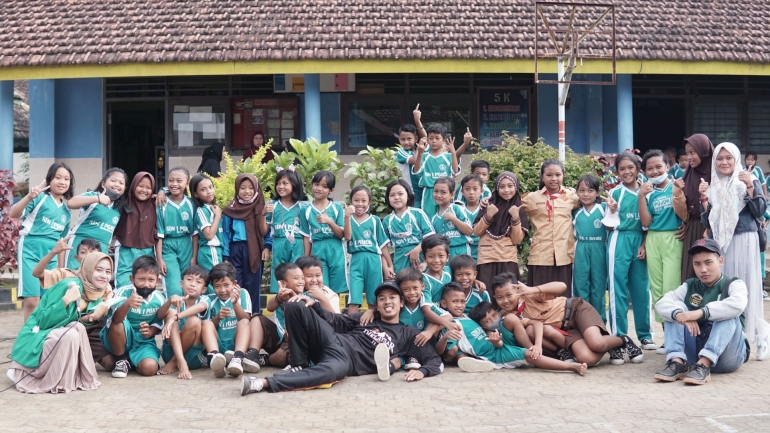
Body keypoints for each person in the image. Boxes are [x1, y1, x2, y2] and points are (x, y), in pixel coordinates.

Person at [240, 280, 444, 395]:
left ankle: (262, 384)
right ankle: (298, 362)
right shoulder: (365, 318)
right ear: (377, 304)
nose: (387, 302)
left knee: (330, 373)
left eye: (392, 298)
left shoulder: (408, 333)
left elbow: (436, 362)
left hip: (346, 361)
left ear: (401, 303)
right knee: (296, 304)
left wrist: (423, 372)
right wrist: (314, 304)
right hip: (333, 341)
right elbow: (335, 320)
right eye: (382, 299)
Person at [700, 142, 770, 359]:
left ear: (736, 159)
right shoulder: (713, 185)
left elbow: (760, 211)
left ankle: (761, 334)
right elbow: (708, 221)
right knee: (728, 290)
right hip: (722, 244)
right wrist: (704, 198)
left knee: (747, 288)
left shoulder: (748, 179)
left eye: (728, 158)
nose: (724, 162)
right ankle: (735, 338)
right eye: (719, 159)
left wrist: (750, 187)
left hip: (745, 239)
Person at [8, 252, 113, 393]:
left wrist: (93, 317)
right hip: (37, 337)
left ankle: (68, 379)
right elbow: (43, 321)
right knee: (71, 334)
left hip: (53, 336)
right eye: (98, 270)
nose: (103, 275)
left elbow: (73, 320)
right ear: (88, 269)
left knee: (78, 328)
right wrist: (65, 301)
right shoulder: (68, 286)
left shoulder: (96, 291)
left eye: (108, 271)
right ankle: (34, 375)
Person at [489, 272, 644, 366]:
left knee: (596, 343)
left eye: (509, 295)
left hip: (576, 310)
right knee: (586, 359)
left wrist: (532, 289)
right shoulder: (508, 316)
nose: (505, 301)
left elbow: (562, 286)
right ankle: (609, 346)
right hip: (566, 330)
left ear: (517, 290)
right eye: (500, 298)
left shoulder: (529, 295)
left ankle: (622, 340)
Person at [654, 239, 751, 384]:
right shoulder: (690, 285)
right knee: (676, 307)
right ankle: (677, 362)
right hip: (695, 356)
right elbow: (661, 303)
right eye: (697, 264)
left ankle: (705, 364)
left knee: (728, 313)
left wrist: (699, 313)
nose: (703, 269)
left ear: (720, 261)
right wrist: (680, 315)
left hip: (728, 357)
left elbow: (738, 304)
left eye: (708, 262)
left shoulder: (734, 284)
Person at [10, 162, 74, 321]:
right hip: (29, 253)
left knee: (47, 301)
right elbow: (13, 213)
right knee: (32, 301)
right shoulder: (39, 199)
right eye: (57, 177)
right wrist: (29, 196)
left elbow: (61, 244)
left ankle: (41, 337)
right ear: (49, 179)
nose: (62, 181)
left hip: (50, 259)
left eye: (66, 179)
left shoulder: (67, 212)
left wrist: (61, 271)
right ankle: (28, 339)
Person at [605, 152, 655, 350]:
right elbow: (609, 224)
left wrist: (644, 243)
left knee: (642, 288)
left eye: (630, 168)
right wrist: (612, 210)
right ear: (617, 172)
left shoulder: (648, 191)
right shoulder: (615, 193)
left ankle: (645, 334)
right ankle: (619, 336)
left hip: (641, 240)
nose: (627, 172)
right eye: (622, 169)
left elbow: (650, 222)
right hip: (620, 239)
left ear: (638, 169)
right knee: (618, 289)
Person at [639, 150, 683, 353]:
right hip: (654, 239)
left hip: (674, 238)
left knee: (671, 288)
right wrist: (641, 196)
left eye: (659, 166)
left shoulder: (677, 186)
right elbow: (646, 222)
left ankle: (676, 337)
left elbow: (685, 212)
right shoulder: (648, 192)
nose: (655, 171)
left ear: (668, 166)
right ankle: (667, 336)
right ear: (645, 172)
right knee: (656, 290)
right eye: (650, 168)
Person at [100, 255, 172, 378]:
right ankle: (121, 360)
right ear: (132, 279)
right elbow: (115, 321)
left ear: (157, 281)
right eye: (141, 279)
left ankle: (132, 361)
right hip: (121, 338)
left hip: (143, 342)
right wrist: (127, 304)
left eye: (151, 280)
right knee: (118, 325)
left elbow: (158, 323)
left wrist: (149, 332)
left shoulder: (159, 298)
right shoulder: (123, 292)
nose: (146, 284)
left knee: (150, 368)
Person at [522, 159, 580, 293]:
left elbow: (588, 204)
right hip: (540, 256)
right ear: (542, 177)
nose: (554, 179)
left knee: (562, 298)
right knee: (538, 297)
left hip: (564, 256)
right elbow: (511, 205)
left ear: (563, 175)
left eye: (558, 175)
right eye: (549, 175)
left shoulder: (572, 197)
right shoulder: (531, 198)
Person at [473, 172, 528, 290]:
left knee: (509, 295)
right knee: (487, 295)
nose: (506, 190)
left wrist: (515, 218)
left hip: (507, 258)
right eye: (502, 187)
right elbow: (477, 232)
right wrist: (488, 216)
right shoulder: (488, 204)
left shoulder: (519, 207)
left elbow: (517, 239)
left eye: (510, 186)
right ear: (497, 188)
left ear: (516, 187)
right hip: (487, 258)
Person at [64, 168, 126, 270]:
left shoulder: (119, 208)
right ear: (103, 184)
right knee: (73, 278)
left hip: (101, 249)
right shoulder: (93, 196)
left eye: (121, 183)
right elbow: (71, 203)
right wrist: (97, 199)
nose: (117, 184)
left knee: (95, 282)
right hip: (80, 245)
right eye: (113, 180)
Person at [344, 185, 393, 313]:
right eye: (356, 200)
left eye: (364, 200)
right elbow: (347, 236)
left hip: (373, 261)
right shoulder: (348, 219)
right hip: (356, 260)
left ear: (369, 203)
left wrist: (389, 265)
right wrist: (347, 217)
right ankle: (350, 329)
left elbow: (382, 245)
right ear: (351, 201)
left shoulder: (375, 220)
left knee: (374, 298)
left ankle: (374, 328)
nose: (360, 204)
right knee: (354, 299)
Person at [222, 173, 268, 311]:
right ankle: (237, 318)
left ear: (256, 189)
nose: (247, 191)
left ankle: (254, 318)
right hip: (235, 249)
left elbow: (267, 231)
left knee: (253, 285)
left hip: (254, 250)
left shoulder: (261, 208)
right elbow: (225, 234)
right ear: (237, 189)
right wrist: (225, 256)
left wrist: (267, 247)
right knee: (236, 285)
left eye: (250, 188)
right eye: (242, 188)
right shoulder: (230, 210)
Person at [201, 262, 254, 378]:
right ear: (212, 286)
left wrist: (235, 303)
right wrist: (217, 318)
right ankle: (215, 358)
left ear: (234, 283)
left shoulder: (243, 294)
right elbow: (207, 329)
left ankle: (238, 358)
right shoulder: (209, 299)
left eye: (226, 285)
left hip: (236, 343)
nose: (222, 290)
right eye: (217, 286)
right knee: (206, 323)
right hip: (218, 344)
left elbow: (246, 320)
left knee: (245, 322)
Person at [673, 134, 714, 282]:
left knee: (711, 274)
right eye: (687, 153)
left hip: (712, 230)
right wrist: (677, 192)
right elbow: (684, 212)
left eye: (693, 152)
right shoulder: (688, 175)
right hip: (692, 229)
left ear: (704, 151)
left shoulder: (717, 175)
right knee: (691, 274)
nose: (689, 157)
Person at [159, 265, 212, 380]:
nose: (192, 284)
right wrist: (169, 302)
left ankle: (177, 362)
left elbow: (199, 307)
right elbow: (159, 315)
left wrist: (175, 318)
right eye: (189, 279)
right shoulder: (176, 300)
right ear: (181, 283)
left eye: (198, 282)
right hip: (170, 352)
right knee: (171, 311)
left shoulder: (205, 300)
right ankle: (177, 360)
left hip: (192, 357)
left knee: (194, 321)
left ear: (203, 289)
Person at [299, 170, 347, 295]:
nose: (319, 188)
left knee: (337, 289)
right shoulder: (306, 210)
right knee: (321, 287)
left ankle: (335, 314)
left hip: (336, 249)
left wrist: (330, 222)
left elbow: (342, 235)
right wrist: (307, 256)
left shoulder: (337, 208)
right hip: (318, 249)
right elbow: (306, 236)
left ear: (331, 190)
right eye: (316, 184)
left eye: (324, 186)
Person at [262, 166, 306, 293]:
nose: (280, 186)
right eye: (278, 183)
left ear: (294, 185)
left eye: (285, 183)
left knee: (296, 272)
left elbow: (306, 234)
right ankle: (279, 304)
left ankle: (296, 303)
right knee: (279, 271)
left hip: (297, 243)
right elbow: (264, 231)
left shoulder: (302, 207)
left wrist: (307, 252)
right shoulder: (272, 205)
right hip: (279, 243)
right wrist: (263, 214)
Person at [155, 166, 197, 298]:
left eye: (179, 181)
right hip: (167, 246)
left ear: (187, 183)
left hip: (186, 245)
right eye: (171, 180)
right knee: (173, 285)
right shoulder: (162, 203)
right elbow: (159, 236)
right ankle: (173, 316)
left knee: (188, 284)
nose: (174, 184)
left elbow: (195, 234)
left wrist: (194, 257)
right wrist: (159, 259)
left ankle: (188, 316)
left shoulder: (191, 204)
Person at [571, 174, 608, 320]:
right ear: (577, 192)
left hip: (599, 248)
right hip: (581, 249)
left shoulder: (603, 208)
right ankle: (583, 321)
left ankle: (600, 322)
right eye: (582, 190)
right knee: (581, 285)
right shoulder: (575, 212)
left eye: (590, 190)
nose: (586, 194)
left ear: (597, 192)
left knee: (598, 287)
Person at [113, 172, 157, 289]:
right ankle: (123, 306)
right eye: (140, 186)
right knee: (123, 283)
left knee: (145, 284)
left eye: (149, 188)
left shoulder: (155, 204)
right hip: (125, 249)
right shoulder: (122, 203)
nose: (144, 190)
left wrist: (162, 192)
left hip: (148, 249)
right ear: (133, 186)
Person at [382, 179, 435, 274]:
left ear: (408, 195)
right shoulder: (387, 220)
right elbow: (383, 247)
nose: (396, 197)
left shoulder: (417, 213)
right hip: (400, 266)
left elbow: (431, 237)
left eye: (400, 194)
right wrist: (387, 267)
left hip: (421, 264)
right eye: (392, 195)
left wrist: (416, 250)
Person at [412, 124, 465, 219]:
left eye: (437, 138)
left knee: (446, 217)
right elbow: (417, 172)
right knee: (428, 218)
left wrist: (453, 152)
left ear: (444, 140)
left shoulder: (448, 156)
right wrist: (419, 153)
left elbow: (455, 172)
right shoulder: (424, 156)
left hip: (445, 192)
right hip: (429, 192)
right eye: (431, 138)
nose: (434, 141)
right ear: (427, 140)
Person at [32, 237, 101, 290]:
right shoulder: (65, 274)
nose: (88, 255)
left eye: (92, 252)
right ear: (77, 257)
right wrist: (53, 252)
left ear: (100, 257)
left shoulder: (103, 279)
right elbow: (37, 273)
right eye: (83, 252)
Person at [430, 177, 473, 258]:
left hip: (461, 250)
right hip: (444, 254)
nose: (438, 195)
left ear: (452, 194)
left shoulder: (457, 209)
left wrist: (453, 218)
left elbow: (469, 231)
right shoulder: (434, 218)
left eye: (443, 192)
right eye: (436, 191)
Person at [190, 173, 224, 275]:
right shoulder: (202, 210)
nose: (209, 191)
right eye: (203, 189)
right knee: (215, 282)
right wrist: (217, 216)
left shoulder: (211, 207)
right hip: (209, 250)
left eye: (210, 187)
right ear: (196, 194)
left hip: (215, 251)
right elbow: (209, 235)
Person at [395, 119, 423, 208]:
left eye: (409, 139)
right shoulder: (401, 152)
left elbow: (426, 137)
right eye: (403, 139)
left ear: (416, 139)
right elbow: (414, 160)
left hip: (423, 191)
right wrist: (420, 147)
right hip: (411, 193)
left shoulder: (419, 151)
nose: (406, 142)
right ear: (399, 140)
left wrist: (417, 120)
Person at [456, 174, 484, 260]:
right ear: (462, 191)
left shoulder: (486, 208)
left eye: (475, 189)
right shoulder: (458, 210)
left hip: (482, 248)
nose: (471, 192)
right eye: (467, 189)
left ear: (481, 191)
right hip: (464, 249)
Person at [421, 234, 453, 304]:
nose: (436, 260)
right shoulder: (423, 280)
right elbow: (427, 307)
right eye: (431, 256)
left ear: (447, 257)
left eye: (441, 256)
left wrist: (475, 281)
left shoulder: (449, 271)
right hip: (434, 314)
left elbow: (462, 276)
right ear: (424, 258)